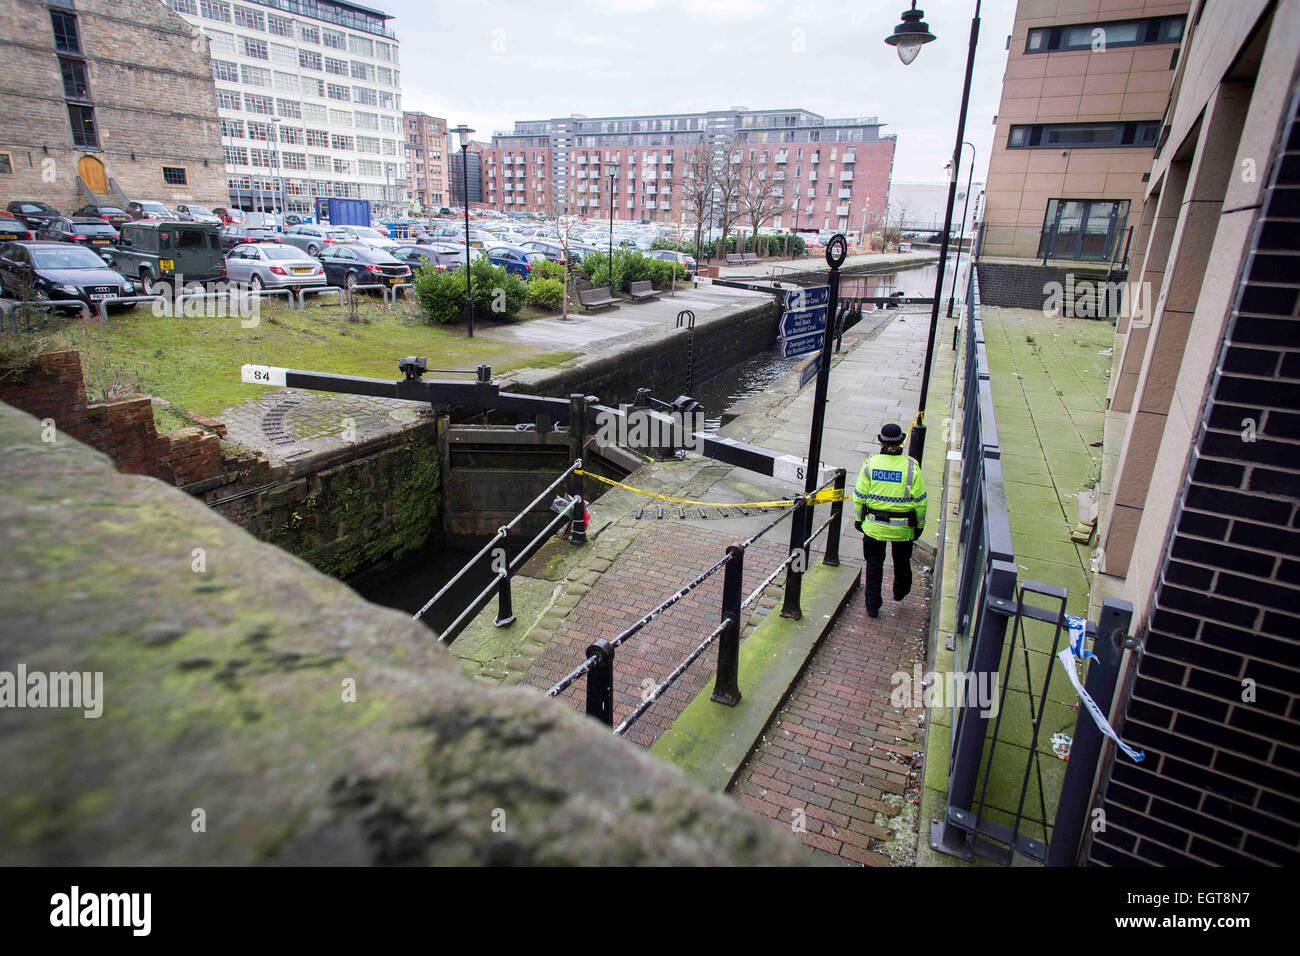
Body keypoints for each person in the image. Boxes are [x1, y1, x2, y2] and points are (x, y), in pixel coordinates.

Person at [853, 422, 927, 618]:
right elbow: (920, 502)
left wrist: (858, 520)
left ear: (881, 442)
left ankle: (872, 605)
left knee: (874, 564)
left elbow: (859, 496)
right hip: (902, 528)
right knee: (902, 560)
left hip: (874, 525)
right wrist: (919, 526)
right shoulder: (911, 466)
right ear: (902, 442)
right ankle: (901, 590)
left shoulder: (870, 464)